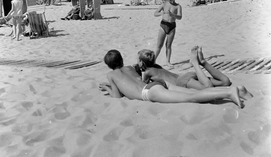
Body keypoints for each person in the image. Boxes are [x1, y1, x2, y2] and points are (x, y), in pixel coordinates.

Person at [99, 49, 247, 108]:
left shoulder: (111, 75)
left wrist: (108, 88)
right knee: (192, 94)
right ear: (122, 60)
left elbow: (117, 97)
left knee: (192, 98)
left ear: (109, 66)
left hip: (148, 92)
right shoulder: (130, 68)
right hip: (160, 84)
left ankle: (229, 93)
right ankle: (232, 90)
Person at [136, 47, 253, 99]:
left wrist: (139, 73)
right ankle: (203, 63)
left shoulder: (146, 72)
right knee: (225, 82)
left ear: (141, 63)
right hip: (187, 76)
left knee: (207, 87)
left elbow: (142, 85)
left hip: (182, 82)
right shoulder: (156, 66)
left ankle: (195, 63)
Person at [154, 0, 182, 66]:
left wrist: (173, 15)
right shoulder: (164, 4)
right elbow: (155, 13)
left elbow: (180, 17)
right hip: (163, 25)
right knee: (159, 45)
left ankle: (168, 61)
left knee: (168, 45)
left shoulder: (178, 6)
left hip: (172, 26)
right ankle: (154, 60)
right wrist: (161, 14)